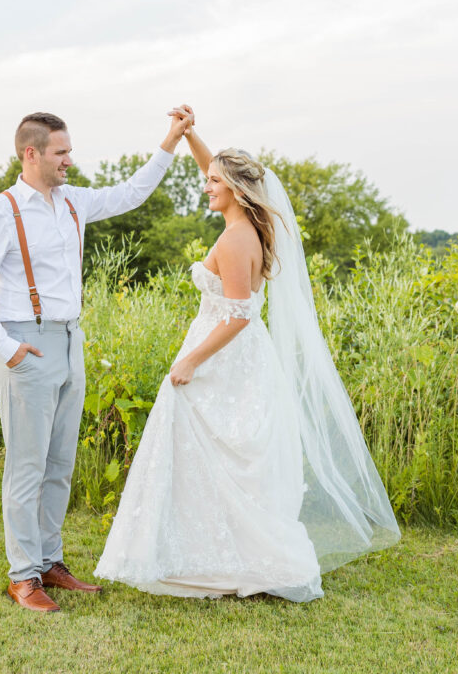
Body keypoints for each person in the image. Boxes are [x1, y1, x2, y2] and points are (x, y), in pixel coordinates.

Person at [95, 106, 401, 602]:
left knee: (214, 452)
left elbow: (239, 314)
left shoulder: (237, 239)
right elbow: (213, 168)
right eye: (208, 177)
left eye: (214, 182)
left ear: (235, 191)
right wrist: (190, 135)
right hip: (238, 354)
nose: (205, 185)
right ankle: (213, 552)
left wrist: (191, 359)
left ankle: (235, 558)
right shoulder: (247, 225)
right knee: (215, 456)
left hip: (223, 354)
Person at [0, 109, 189, 613]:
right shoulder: (0, 212)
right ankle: (23, 577)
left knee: (60, 462)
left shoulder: (74, 202)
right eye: (61, 152)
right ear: (31, 153)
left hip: (69, 339)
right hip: (25, 342)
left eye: (69, 151)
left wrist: (169, 140)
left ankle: (49, 561)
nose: (69, 160)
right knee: (26, 466)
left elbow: (130, 193)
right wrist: (6, 347)